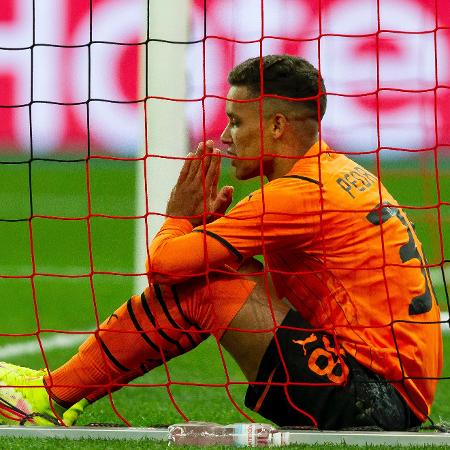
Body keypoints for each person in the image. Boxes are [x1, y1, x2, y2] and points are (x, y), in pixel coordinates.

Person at [0, 55, 442, 430]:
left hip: (372, 399)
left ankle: (53, 397)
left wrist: (180, 217)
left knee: (207, 283)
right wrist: (205, 236)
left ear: (277, 126)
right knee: (211, 272)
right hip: (384, 386)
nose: (226, 136)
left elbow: (164, 266)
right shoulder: (336, 173)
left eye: (235, 121)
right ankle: (58, 392)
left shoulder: (296, 194)